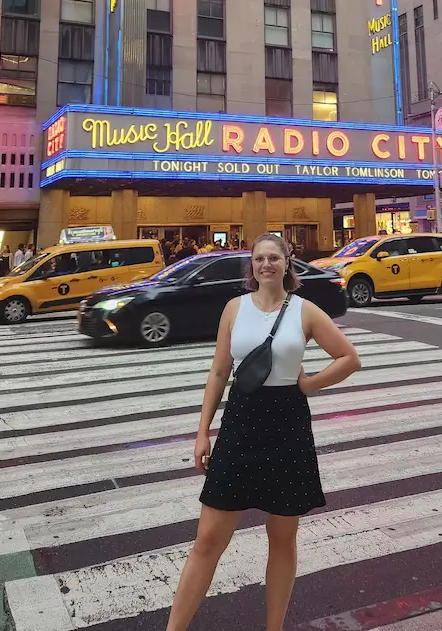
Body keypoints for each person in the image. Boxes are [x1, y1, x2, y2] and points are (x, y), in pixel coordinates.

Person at [166, 233, 361, 631]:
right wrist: (202, 432)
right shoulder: (234, 308)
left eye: (274, 258)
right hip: (240, 423)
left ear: (287, 263)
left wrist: (309, 385)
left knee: (282, 539)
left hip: (287, 425)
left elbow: (348, 358)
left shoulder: (305, 311)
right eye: (259, 259)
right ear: (251, 266)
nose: (266, 265)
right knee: (208, 539)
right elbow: (219, 372)